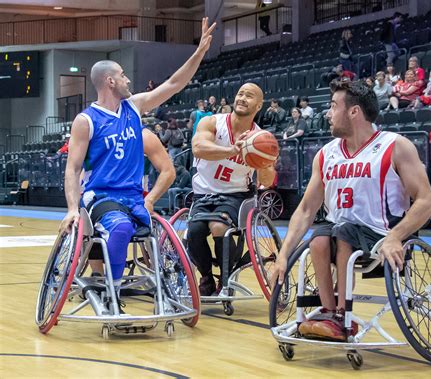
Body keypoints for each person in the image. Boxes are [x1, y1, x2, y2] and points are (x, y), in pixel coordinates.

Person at [59, 18, 216, 301]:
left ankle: (165, 289)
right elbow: (73, 168)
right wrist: (72, 208)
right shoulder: (86, 121)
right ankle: (113, 293)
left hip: (134, 196)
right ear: (110, 81)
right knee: (120, 228)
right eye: (122, 75)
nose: (128, 79)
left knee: (156, 233)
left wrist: (199, 52)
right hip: (101, 195)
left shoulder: (134, 107)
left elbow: (174, 84)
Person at [273, 80, 431, 341]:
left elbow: (426, 201)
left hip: (383, 234)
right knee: (320, 237)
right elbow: (305, 209)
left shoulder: (395, 146)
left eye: (333, 106)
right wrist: (283, 255)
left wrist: (396, 236)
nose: (327, 113)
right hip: (341, 234)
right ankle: (330, 312)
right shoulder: (325, 154)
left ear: (354, 112)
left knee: (341, 232)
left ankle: (341, 316)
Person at [189, 82, 276, 296]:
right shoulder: (212, 122)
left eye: (249, 96)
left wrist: (264, 164)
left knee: (219, 227)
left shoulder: (261, 138)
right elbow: (198, 148)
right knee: (194, 232)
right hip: (204, 192)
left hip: (236, 194)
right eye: (240, 94)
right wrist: (231, 150)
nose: (242, 98)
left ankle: (226, 280)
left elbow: (267, 180)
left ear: (259, 105)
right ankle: (207, 277)